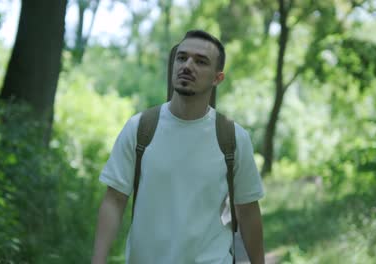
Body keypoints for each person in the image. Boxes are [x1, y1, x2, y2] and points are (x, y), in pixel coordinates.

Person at [92, 30, 265, 264]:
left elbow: (248, 211)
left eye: (200, 61)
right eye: (182, 58)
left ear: (217, 78)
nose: (187, 65)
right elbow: (114, 200)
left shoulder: (233, 138)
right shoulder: (140, 128)